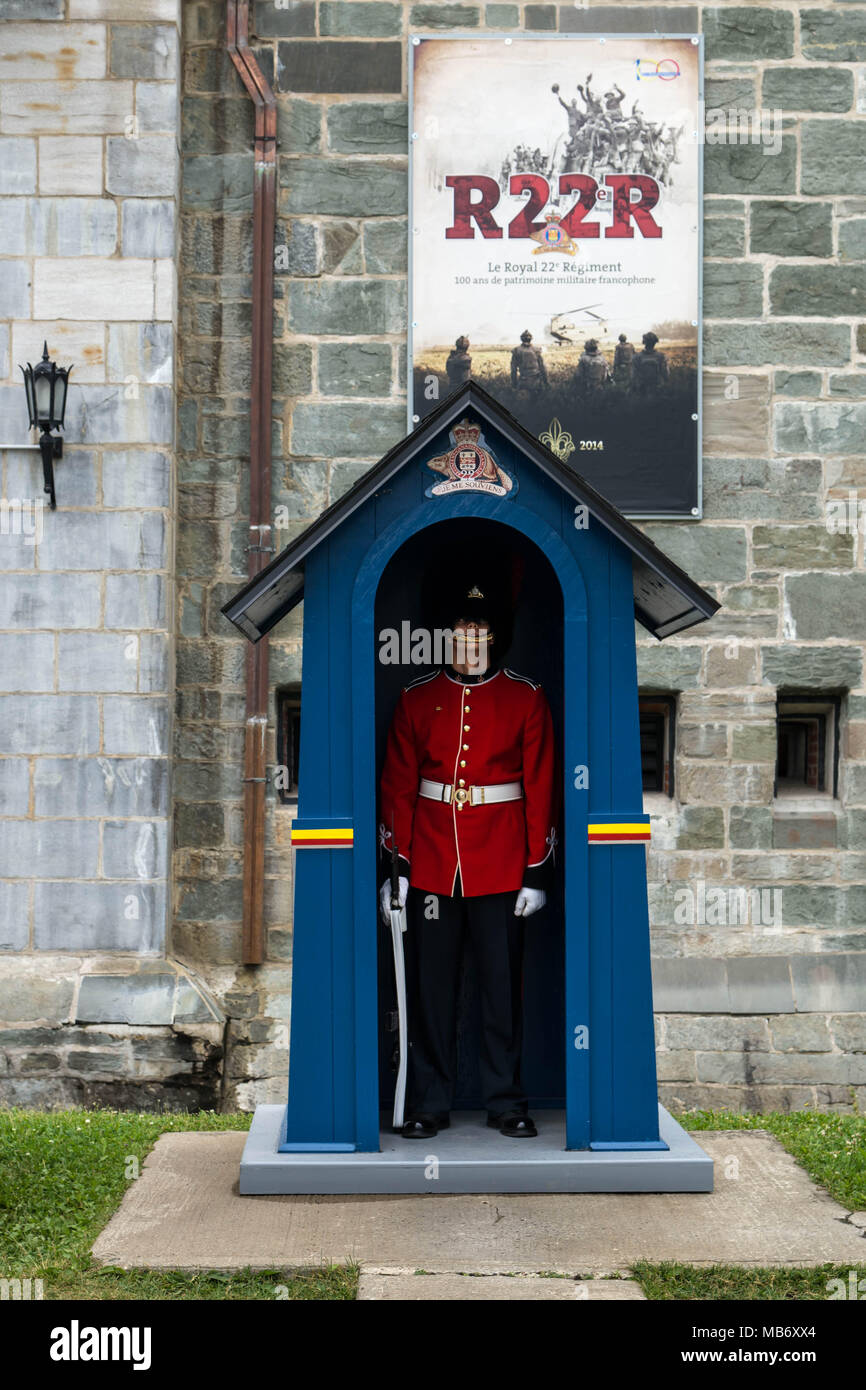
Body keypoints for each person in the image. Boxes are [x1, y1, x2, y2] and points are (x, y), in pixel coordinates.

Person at [378, 575, 558, 1140]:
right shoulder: (417, 698)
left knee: (501, 994)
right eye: (460, 629)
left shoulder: (525, 697)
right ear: (447, 638)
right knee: (432, 992)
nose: (469, 639)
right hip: (431, 866)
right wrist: (399, 868)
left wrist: (535, 872)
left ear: (494, 637)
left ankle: (506, 1101)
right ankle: (430, 1102)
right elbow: (399, 787)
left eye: (478, 629)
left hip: (503, 866)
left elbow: (540, 787)